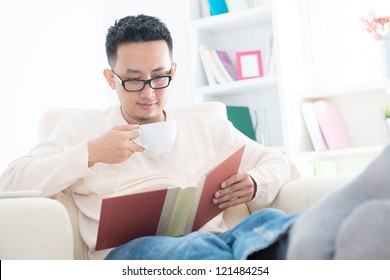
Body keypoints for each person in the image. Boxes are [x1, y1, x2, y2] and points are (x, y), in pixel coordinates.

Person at [0, 14, 300, 260]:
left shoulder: (208, 128)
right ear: (111, 79)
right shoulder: (82, 128)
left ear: (173, 70)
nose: (149, 93)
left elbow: (281, 163)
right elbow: (11, 182)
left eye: (159, 77)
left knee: (272, 223)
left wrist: (256, 182)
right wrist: (90, 153)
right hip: (134, 253)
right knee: (197, 248)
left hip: (212, 243)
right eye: (133, 80)